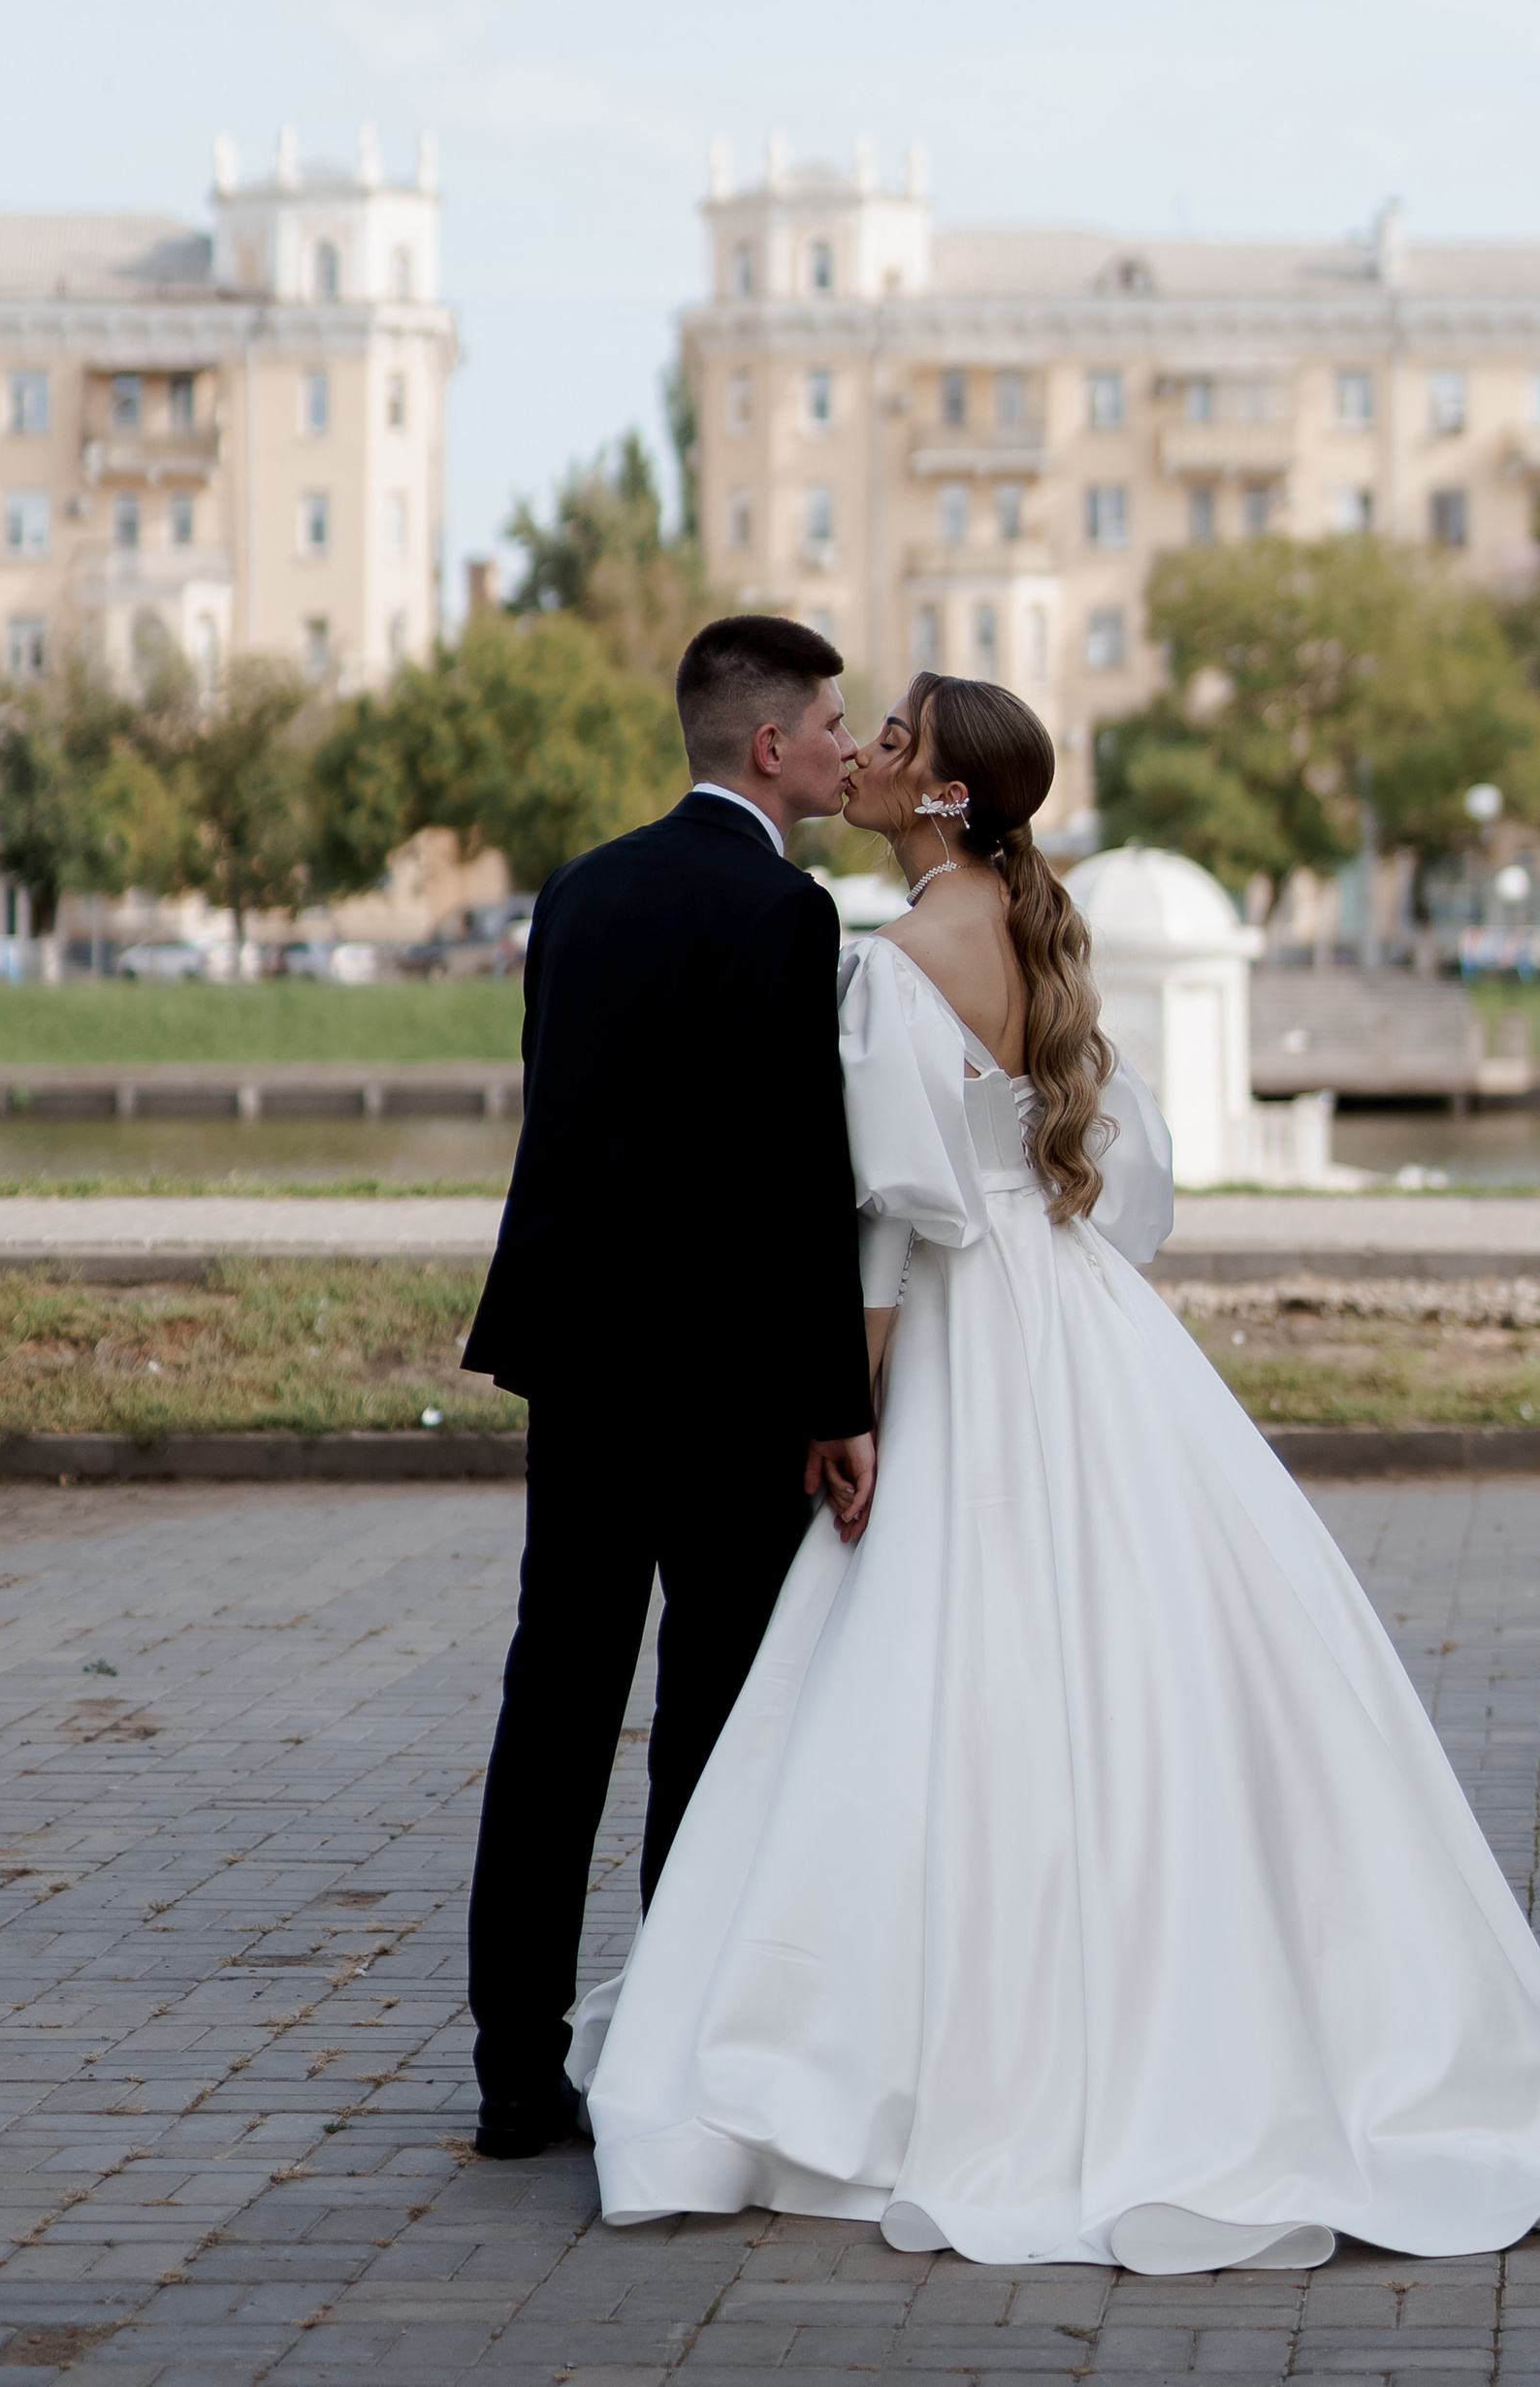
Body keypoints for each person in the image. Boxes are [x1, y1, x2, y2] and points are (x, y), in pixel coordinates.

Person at [569, 669, 1540, 2272]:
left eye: (896, 741)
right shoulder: (1028, 933)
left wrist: (848, 1404)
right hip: (1080, 1324)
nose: (864, 755)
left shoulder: (894, 962)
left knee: (935, 1668)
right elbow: (1117, 1182)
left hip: (969, 1331)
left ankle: (906, 2052)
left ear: (941, 795)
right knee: (1136, 1663)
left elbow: (898, 1216)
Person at [461, 613, 878, 2160]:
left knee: (556, 1701)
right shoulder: (782, 910)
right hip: (720, 1383)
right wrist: (839, 1402)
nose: (847, 742)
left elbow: (561, 1119)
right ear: (771, 746)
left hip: (578, 1358)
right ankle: (672, 2054)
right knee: (705, 1712)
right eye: (833, 720)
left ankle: (517, 2071)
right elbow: (796, 1177)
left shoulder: (579, 888)